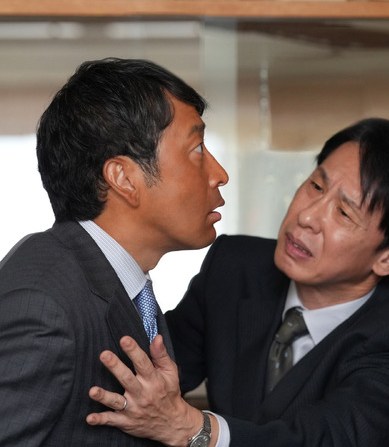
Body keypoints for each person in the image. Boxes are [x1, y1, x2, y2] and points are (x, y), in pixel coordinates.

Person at [86, 117, 389, 447]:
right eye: (316, 186)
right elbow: (146, 374)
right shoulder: (235, 267)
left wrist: (192, 429)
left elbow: (323, 440)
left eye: (344, 212)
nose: (307, 216)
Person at [0, 57, 228, 445]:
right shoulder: (44, 307)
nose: (219, 174)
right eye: (198, 148)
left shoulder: (121, 284)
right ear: (123, 178)